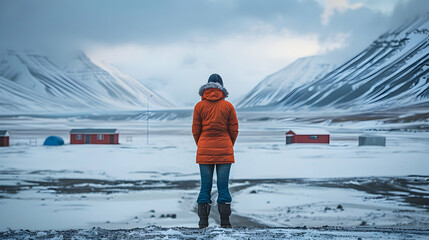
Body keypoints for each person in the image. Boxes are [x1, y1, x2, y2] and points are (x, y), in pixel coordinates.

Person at [192, 73, 239, 228]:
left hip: (204, 150)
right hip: (224, 149)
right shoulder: (228, 106)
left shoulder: (199, 106)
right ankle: (225, 223)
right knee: (223, 188)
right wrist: (228, 144)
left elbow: (195, 130)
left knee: (205, 188)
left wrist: (202, 144)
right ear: (222, 87)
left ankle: (203, 223)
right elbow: (234, 129)